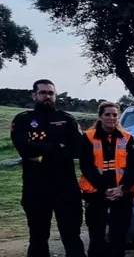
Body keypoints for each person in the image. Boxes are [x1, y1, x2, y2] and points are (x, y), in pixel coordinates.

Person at [10, 79, 87, 257]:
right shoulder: (23, 120)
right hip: (35, 188)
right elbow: (23, 148)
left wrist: (41, 150)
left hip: (66, 188)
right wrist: (58, 147)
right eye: (43, 92)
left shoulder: (67, 120)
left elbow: (77, 149)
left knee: (72, 237)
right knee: (38, 238)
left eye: (51, 93)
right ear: (34, 95)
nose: (47, 96)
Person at [79, 101, 134, 257]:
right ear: (99, 117)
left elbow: (132, 167)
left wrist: (122, 188)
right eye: (107, 114)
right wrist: (105, 189)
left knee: (118, 237)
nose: (111, 118)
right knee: (97, 236)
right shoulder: (88, 137)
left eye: (114, 115)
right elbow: (87, 166)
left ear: (118, 117)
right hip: (97, 193)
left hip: (122, 194)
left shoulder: (127, 138)